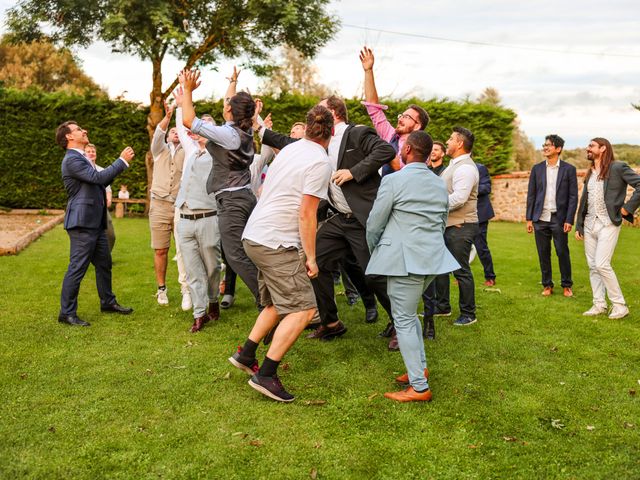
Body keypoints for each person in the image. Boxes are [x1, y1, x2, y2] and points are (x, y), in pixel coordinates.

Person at [258, 95, 397, 348]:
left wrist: (354, 172)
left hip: (362, 219)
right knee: (315, 264)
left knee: (374, 275)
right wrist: (257, 124)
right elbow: (285, 141)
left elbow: (386, 150)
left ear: (333, 112)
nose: (313, 112)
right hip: (336, 218)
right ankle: (331, 323)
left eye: (319, 108)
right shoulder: (315, 143)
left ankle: (400, 325)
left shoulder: (357, 133)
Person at [228, 105, 333, 402]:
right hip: (276, 241)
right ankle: (267, 374)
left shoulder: (290, 150)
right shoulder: (320, 161)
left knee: (275, 302)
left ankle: (247, 355)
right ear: (331, 132)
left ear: (309, 128)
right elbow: (307, 213)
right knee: (303, 308)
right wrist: (311, 257)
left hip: (255, 235)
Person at [367, 131, 459, 402]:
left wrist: (377, 250)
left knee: (404, 319)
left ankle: (419, 387)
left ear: (406, 150)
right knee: (410, 315)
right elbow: (443, 220)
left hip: (405, 260)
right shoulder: (438, 182)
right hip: (433, 258)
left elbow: (374, 223)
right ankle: (419, 369)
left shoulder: (394, 180)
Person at [180, 67, 262, 309]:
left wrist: (187, 90)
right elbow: (230, 102)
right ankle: (269, 295)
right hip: (243, 196)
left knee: (235, 255)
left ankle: (267, 300)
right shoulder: (241, 128)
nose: (224, 105)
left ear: (229, 111)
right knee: (244, 252)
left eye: (227, 104)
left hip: (233, 201)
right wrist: (233, 82)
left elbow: (188, 121)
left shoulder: (228, 135)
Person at [56, 121, 134, 326]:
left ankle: (107, 302)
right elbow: (98, 178)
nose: (85, 130)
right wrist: (121, 162)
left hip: (95, 222)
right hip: (82, 223)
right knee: (77, 267)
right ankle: (66, 313)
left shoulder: (81, 157)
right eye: (79, 129)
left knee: (104, 263)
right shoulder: (72, 159)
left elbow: (97, 181)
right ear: (69, 137)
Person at [173, 88, 222, 332]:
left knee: (213, 267)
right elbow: (183, 127)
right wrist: (181, 104)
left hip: (208, 218)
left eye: (206, 126)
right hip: (184, 218)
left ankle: (214, 300)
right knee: (192, 268)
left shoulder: (220, 155)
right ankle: (199, 312)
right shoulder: (192, 150)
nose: (199, 130)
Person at [576, 138, 640, 319]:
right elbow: (584, 201)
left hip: (608, 223)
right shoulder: (590, 172)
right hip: (589, 224)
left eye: (591, 146)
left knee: (602, 264)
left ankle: (620, 306)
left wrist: (627, 208)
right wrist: (579, 225)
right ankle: (599, 304)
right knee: (592, 266)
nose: (588, 149)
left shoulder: (618, 167)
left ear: (603, 148)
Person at [359, 46, 430, 175]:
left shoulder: (422, 149)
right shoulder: (390, 135)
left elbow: (399, 167)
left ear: (417, 125)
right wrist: (368, 71)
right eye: (401, 115)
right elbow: (374, 109)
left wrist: (379, 147)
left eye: (407, 117)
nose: (400, 119)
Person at [437, 127, 480, 326]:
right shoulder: (453, 165)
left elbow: (459, 198)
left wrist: (432, 203)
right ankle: (443, 307)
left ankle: (469, 314)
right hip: (449, 225)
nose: (447, 141)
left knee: (461, 271)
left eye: (451, 138)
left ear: (460, 144)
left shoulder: (466, 168)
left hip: (461, 226)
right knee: (442, 268)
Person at [150, 100, 190, 309]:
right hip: (158, 205)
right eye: (172, 130)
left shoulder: (188, 150)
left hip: (179, 207)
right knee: (161, 250)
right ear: (167, 136)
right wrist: (168, 116)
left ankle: (186, 289)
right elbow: (158, 134)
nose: (175, 132)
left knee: (183, 249)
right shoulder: (159, 150)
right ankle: (161, 288)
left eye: (178, 131)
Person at [526, 134, 577, 297]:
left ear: (558, 149)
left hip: (559, 219)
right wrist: (529, 219)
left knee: (562, 252)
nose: (545, 147)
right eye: (544, 145)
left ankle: (567, 285)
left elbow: (573, 197)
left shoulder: (569, 169)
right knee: (543, 253)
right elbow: (531, 195)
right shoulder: (537, 169)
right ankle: (547, 284)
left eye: (549, 145)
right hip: (540, 219)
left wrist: (569, 219)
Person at [85, 143, 116, 252]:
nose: (91, 153)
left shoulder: (102, 170)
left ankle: (106, 256)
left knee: (110, 235)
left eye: (93, 151)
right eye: (88, 151)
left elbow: (108, 190)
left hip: (101, 208)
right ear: (84, 154)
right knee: (88, 237)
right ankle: (88, 258)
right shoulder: (82, 170)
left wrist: (108, 199)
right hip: (87, 209)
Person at [474, 161, 497, 286]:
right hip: (461, 214)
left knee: (481, 247)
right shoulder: (454, 168)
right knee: (461, 248)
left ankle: (490, 276)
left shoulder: (480, 168)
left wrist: (467, 188)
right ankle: (460, 276)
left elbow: (486, 187)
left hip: (480, 214)